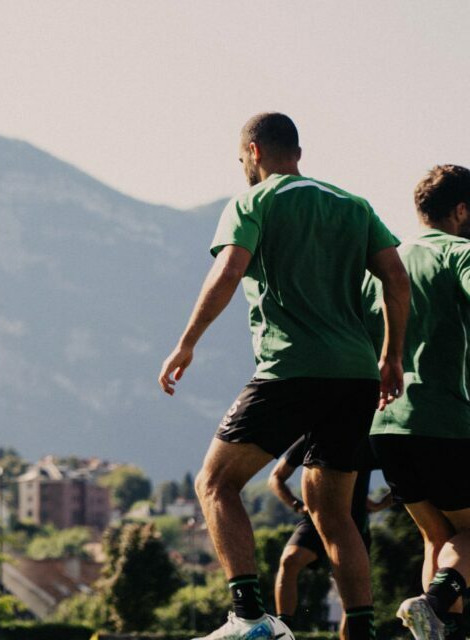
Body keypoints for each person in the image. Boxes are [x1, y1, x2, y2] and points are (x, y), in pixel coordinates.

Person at [158, 112, 411, 640]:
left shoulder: (253, 201)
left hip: (293, 368)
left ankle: (249, 619)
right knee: (333, 514)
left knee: (216, 482)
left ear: (253, 151)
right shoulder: (353, 204)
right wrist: (390, 357)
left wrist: (186, 343)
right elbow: (395, 277)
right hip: (357, 375)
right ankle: (360, 632)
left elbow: (228, 270)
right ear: (296, 149)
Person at [364, 165, 470, 640]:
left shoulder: (386, 263)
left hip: (386, 424)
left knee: (438, 537)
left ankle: (436, 630)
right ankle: (433, 603)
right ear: (461, 211)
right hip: (445, 419)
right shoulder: (460, 253)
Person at [269, 436, 389, 630]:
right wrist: (297, 504)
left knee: (353, 591)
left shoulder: (369, 439)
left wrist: (382, 503)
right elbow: (276, 477)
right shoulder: (313, 434)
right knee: (289, 560)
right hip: (316, 519)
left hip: (354, 524)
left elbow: (409, 473)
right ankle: (283, 628)